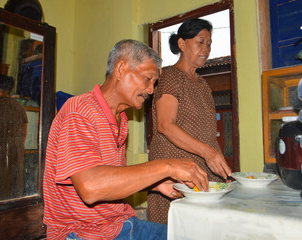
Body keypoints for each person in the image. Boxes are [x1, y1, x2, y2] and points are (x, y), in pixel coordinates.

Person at [43, 39, 209, 240]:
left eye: (154, 83)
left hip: (120, 225)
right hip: (82, 233)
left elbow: (111, 179)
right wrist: (167, 166)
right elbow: (91, 187)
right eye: (147, 79)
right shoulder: (79, 110)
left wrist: (155, 184)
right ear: (121, 69)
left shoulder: (120, 118)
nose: (151, 90)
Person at [147, 18, 232, 224]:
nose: (206, 49)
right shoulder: (171, 78)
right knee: (177, 228)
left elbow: (207, 133)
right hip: (176, 173)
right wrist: (207, 152)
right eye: (200, 42)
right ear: (182, 44)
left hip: (200, 171)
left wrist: (220, 164)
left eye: (209, 44)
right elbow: (165, 125)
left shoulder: (202, 84)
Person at [0, 75, 28, 201]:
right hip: (16, 149)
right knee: (15, 181)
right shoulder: (19, 107)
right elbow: (24, 131)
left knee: (0, 184)